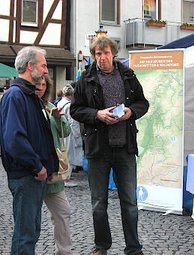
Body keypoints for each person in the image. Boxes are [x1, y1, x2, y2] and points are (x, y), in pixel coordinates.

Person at [70, 37, 149, 255]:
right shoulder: (86, 78)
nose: (102, 58)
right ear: (93, 55)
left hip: (125, 148)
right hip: (98, 150)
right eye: (97, 54)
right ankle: (101, 246)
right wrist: (97, 114)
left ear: (113, 53)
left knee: (130, 202)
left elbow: (143, 103)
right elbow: (75, 110)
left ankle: (133, 248)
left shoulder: (128, 76)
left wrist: (131, 112)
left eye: (105, 53)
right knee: (98, 203)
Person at [0, 46, 59, 254]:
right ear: (30, 66)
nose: (45, 70)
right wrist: (37, 166)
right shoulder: (15, 96)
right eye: (43, 65)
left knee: (31, 232)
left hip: (33, 176)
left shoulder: (29, 96)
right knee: (25, 235)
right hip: (27, 176)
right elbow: (14, 140)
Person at [35, 75, 73, 254]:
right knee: (29, 220)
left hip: (53, 172)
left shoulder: (51, 107)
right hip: (32, 172)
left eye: (43, 84)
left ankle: (63, 252)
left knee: (63, 212)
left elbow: (66, 133)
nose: (40, 87)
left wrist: (58, 118)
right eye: (37, 84)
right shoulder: (25, 107)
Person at [58, 84, 83, 187]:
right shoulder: (69, 105)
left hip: (61, 132)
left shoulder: (60, 103)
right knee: (69, 155)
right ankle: (66, 179)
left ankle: (64, 177)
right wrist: (78, 136)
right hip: (69, 133)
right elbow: (74, 122)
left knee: (63, 154)